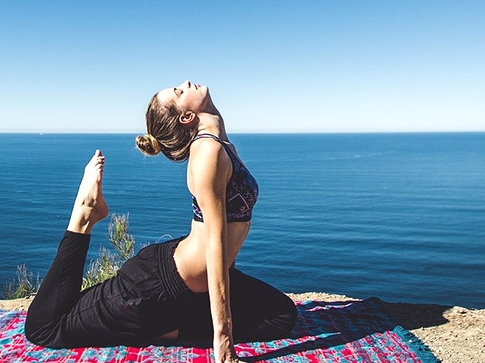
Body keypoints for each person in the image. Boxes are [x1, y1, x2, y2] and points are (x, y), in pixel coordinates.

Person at [24, 81, 297, 362]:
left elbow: (225, 239)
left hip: (189, 283)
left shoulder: (221, 145)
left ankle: (163, 326)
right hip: (154, 287)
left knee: (281, 315)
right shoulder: (208, 153)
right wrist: (223, 340)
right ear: (187, 117)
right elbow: (215, 245)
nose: (185, 84)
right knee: (46, 328)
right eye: (179, 92)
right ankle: (84, 215)